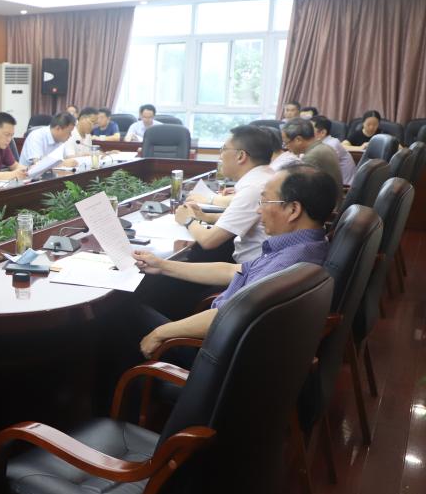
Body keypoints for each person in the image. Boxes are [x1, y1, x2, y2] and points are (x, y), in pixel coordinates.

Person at [93, 164, 336, 414]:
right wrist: (162, 265)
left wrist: (160, 333)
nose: (258, 209)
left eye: (265, 201)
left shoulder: (288, 263)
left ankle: (117, 415)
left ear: (293, 209)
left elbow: (229, 316)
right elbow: (233, 270)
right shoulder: (304, 247)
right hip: (232, 346)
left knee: (118, 313)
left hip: (216, 357)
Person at [174, 125, 276, 263]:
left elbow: (209, 241)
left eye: (224, 149)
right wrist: (205, 217)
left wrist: (187, 220)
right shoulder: (266, 176)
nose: (220, 155)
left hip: (252, 269)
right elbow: (246, 218)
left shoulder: (253, 188)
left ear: (241, 156)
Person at [282, 119, 344, 202]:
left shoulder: (312, 157)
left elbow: (302, 190)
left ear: (298, 140)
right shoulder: (323, 147)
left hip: (326, 206)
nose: (286, 147)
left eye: (286, 143)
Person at [313, 116, 357, 184]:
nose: (307, 132)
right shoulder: (320, 143)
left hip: (344, 186)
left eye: (311, 130)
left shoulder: (332, 145)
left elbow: (319, 169)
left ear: (322, 132)